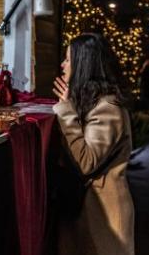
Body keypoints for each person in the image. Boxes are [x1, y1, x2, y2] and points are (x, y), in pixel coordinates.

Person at [52, 33, 134, 255]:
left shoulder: (108, 108)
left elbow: (86, 162)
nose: (62, 65)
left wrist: (66, 112)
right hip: (88, 209)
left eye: (68, 59)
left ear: (83, 64)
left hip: (102, 215)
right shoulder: (91, 101)